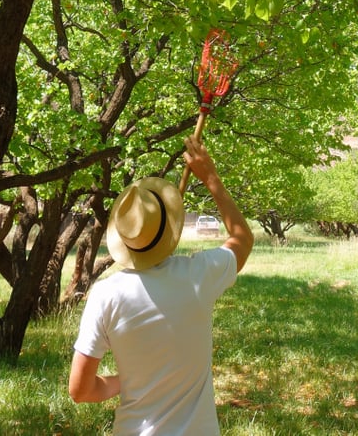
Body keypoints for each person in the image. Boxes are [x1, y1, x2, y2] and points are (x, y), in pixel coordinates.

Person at [69, 135, 253, 435]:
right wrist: (211, 178)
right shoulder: (198, 276)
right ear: (170, 229)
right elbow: (242, 239)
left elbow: (80, 390)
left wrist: (126, 380)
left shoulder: (105, 295)